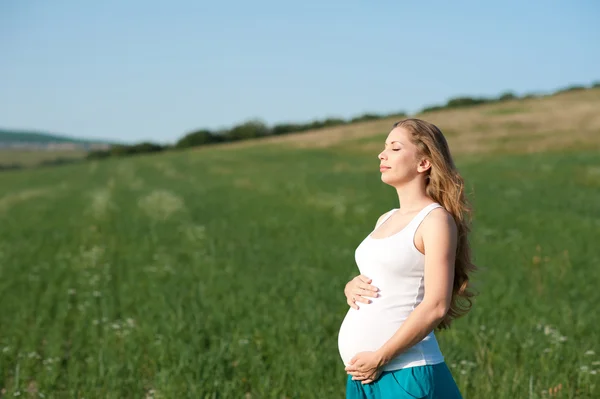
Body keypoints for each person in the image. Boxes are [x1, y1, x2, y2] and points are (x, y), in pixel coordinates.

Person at [337, 118, 477, 399]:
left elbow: (436, 305)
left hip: (406, 374)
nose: (382, 154)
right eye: (384, 147)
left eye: (395, 148)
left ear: (423, 163)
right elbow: (386, 277)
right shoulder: (385, 218)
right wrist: (350, 286)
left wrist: (380, 357)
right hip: (364, 375)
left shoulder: (434, 220)